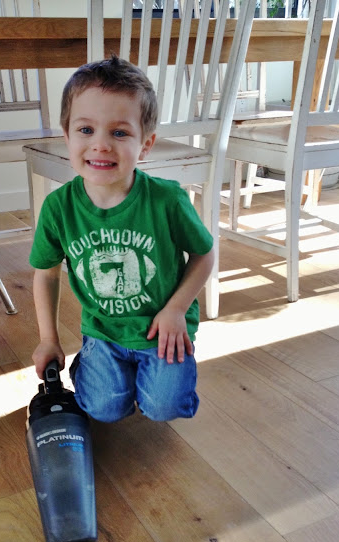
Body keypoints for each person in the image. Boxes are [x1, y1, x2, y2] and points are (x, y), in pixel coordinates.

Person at [30, 55, 214, 422]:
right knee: (104, 411)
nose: (100, 145)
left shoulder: (167, 199)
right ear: (66, 136)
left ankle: (146, 375)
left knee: (164, 407)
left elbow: (203, 254)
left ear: (145, 144)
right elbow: (46, 274)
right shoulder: (58, 208)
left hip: (162, 330)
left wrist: (176, 309)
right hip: (104, 330)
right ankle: (92, 366)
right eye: (86, 130)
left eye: (119, 133)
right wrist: (49, 339)